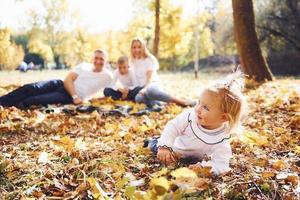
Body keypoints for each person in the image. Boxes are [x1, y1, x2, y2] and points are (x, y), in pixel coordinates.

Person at [144, 71, 247, 175]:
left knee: (191, 162)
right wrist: (164, 147)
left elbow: (221, 164)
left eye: (205, 107)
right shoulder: (190, 117)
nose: (197, 109)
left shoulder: (221, 138)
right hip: (174, 149)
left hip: (194, 158)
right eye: (198, 102)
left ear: (223, 117)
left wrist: (204, 168)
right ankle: (151, 141)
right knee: (155, 145)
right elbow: (173, 127)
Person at [0, 49, 112, 109]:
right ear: (92, 58)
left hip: (66, 97)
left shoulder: (107, 76)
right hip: (61, 85)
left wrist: (89, 100)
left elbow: (117, 89)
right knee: (29, 88)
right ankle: (2, 101)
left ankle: (13, 106)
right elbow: (68, 79)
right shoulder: (84, 66)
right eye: (96, 58)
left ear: (105, 61)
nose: (98, 61)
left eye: (101, 59)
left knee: (33, 99)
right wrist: (75, 96)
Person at [130, 37, 194, 108]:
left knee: (150, 91)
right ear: (131, 49)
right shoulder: (132, 62)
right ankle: (161, 104)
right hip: (142, 89)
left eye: (139, 47)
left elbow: (149, 80)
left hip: (152, 85)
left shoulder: (148, 59)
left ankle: (182, 102)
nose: (136, 50)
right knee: (138, 98)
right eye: (134, 47)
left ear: (143, 47)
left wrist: (145, 89)